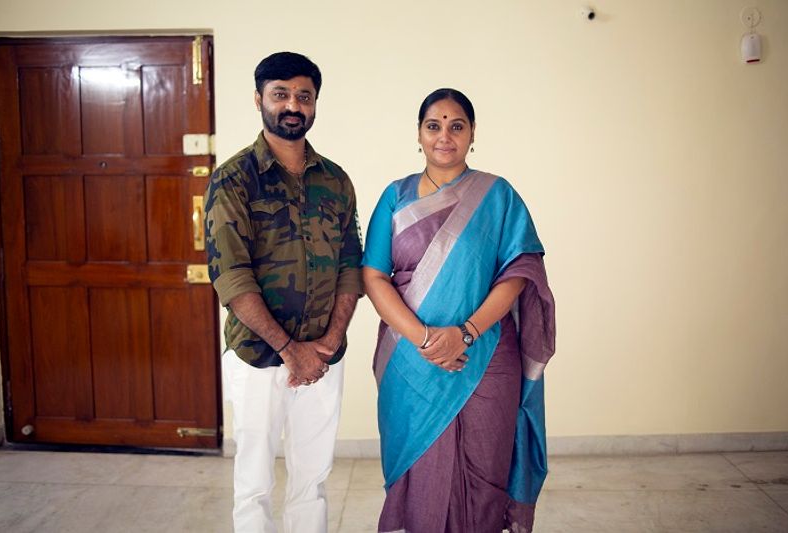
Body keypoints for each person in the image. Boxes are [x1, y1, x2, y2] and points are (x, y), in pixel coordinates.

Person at [362, 88, 556, 532]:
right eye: (434, 126)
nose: (444, 136)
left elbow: (518, 273)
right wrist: (427, 339)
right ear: (419, 134)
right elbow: (373, 276)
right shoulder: (395, 196)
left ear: (472, 134)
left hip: (485, 353)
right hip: (411, 358)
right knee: (420, 472)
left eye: (456, 126)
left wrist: (465, 333)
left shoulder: (498, 195)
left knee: (487, 466)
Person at [204, 52, 363, 533]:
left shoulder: (335, 181)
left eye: (303, 96)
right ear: (259, 100)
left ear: (314, 103)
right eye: (281, 94)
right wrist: (290, 350)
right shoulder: (233, 179)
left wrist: (328, 343)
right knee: (254, 483)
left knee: (312, 480)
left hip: (324, 357)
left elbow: (350, 267)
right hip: (258, 356)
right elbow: (231, 277)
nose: (293, 105)